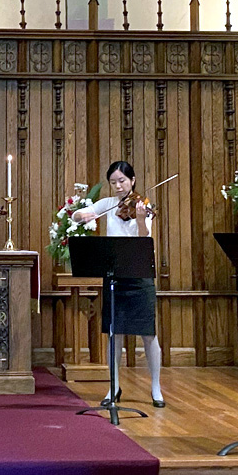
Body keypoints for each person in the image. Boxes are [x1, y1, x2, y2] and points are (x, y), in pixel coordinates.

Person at [70, 161, 166, 408]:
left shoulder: (143, 206)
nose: (118, 186)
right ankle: (114, 386)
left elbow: (144, 239)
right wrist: (84, 214)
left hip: (139, 274)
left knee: (148, 333)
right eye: (113, 182)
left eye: (122, 180)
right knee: (114, 334)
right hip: (114, 274)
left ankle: (156, 387)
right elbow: (76, 216)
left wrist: (143, 220)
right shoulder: (108, 204)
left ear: (132, 180)